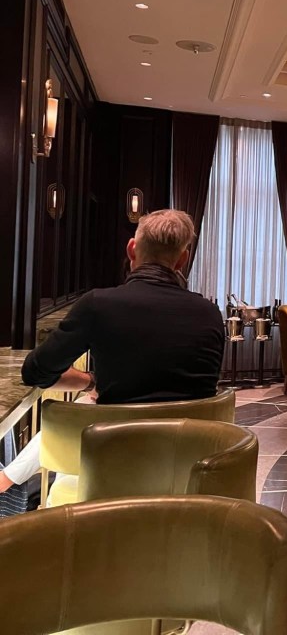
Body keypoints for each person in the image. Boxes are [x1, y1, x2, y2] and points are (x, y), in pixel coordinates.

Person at [3, 210, 225, 501]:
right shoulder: (210, 314)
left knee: (63, 484)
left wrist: (90, 381)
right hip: (189, 477)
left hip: (112, 475)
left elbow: (34, 372)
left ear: (132, 249)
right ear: (182, 259)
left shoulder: (98, 305)